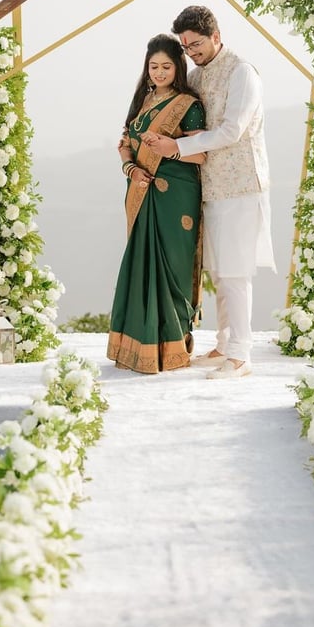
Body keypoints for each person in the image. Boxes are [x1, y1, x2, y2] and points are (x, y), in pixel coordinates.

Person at [145, 6, 276, 380]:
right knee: (219, 271)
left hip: (241, 185)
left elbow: (232, 130)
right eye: (185, 47)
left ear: (216, 36)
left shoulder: (242, 73)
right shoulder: (199, 76)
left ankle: (241, 355)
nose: (191, 52)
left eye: (196, 44)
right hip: (208, 186)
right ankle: (222, 343)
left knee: (235, 273)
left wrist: (178, 148)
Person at [107, 33, 207, 374]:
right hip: (142, 190)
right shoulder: (143, 101)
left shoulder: (188, 104)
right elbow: (124, 144)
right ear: (146, 69)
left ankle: (174, 347)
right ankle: (137, 347)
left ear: (177, 67)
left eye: (166, 66)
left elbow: (202, 154)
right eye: (154, 67)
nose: (160, 73)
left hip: (176, 196)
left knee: (173, 270)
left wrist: (168, 145)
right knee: (141, 266)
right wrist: (131, 168)